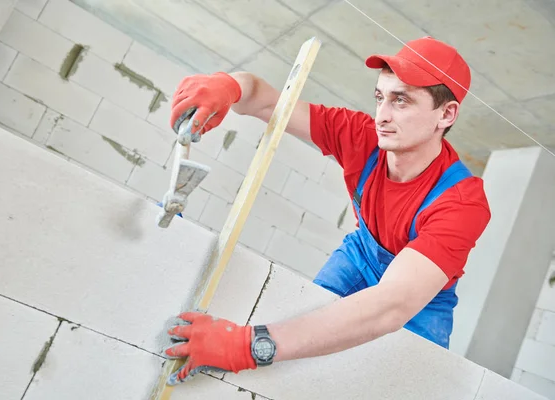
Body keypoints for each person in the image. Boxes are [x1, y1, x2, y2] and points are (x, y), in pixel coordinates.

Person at [162, 36, 491, 385]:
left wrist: (247, 346)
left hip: (419, 301)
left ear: (447, 114)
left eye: (401, 101)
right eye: (380, 97)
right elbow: (263, 101)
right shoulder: (361, 136)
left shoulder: (462, 202)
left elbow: (393, 303)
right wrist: (227, 86)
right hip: (361, 254)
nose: (382, 115)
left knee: (392, 385)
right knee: (301, 354)